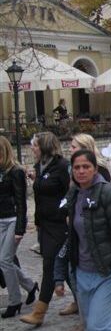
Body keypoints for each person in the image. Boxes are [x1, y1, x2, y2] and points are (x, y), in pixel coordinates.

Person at [55, 149, 111, 331]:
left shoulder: (108, 193)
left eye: (86, 167)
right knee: (92, 324)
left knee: (99, 326)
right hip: (82, 273)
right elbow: (71, 238)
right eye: (77, 167)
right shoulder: (73, 195)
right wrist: (59, 274)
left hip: (107, 273)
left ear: (95, 169)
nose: (81, 171)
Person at [20, 132, 70, 326]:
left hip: (58, 224)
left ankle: (39, 312)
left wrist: (63, 212)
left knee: (50, 264)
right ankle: (82, 303)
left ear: (44, 147)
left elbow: (69, 192)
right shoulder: (40, 167)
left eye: (35, 146)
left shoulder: (62, 166)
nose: (32, 149)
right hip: (44, 224)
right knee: (63, 268)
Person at [0, 136, 38, 318]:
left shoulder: (15, 171)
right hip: (0, 219)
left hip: (12, 219)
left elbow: (21, 201)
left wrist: (20, 229)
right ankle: (30, 286)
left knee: (5, 260)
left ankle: (14, 301)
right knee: (3, 260)